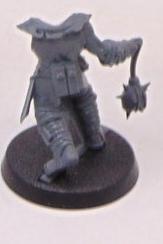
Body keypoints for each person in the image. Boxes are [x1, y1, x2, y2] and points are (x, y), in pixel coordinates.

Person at [18, 13, 142, 181]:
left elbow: (107, 53)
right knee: (81, 101)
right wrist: (129, 46)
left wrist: (129, 46)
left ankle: (69, 148)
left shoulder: (39, 32)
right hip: (73, 79)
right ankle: (87, 139)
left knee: (51, 114)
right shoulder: (81, 29)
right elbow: (106, 53)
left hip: (49, 85)